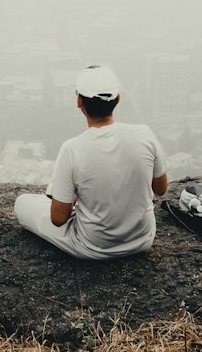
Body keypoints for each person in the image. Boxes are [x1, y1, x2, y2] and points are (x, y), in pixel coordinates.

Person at [14, 64, 169, 259]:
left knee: (22, 203)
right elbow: (161, 189)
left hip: (92, 246)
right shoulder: (144, 134)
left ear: (79, 101)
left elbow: (58, 218)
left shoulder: (73, 149)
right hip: (142, 240)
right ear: (118, 98)